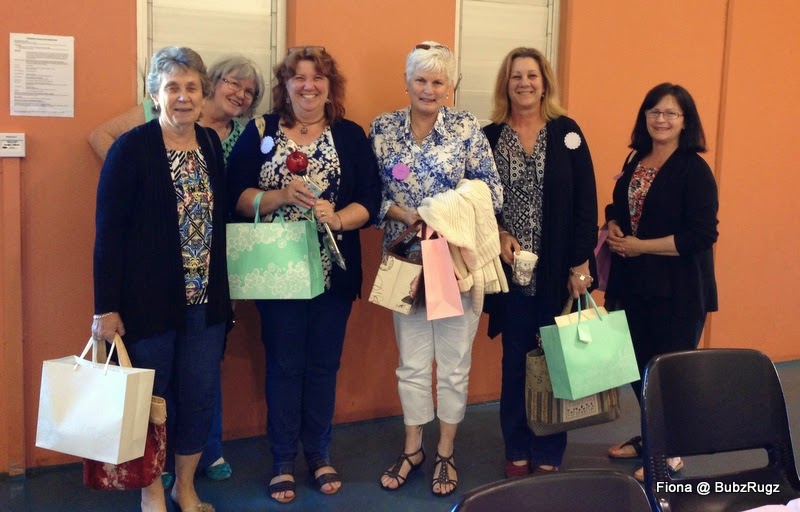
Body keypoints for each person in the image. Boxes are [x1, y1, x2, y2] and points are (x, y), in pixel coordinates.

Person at [88, 54, 265, 483]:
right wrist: (105, 308)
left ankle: (184, 487)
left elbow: (217, 222)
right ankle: (150, 490)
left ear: (203, 96)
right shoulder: (131, 149)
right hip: (148, 302)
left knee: (200, 395)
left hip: (205, 303)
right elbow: (108, 236)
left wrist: (224, 294)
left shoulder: (209, 145)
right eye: (172, 88)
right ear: (155, 95)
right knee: (152, 395)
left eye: (190, 88)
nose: (182, 97)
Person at [226, 46, 380, 504]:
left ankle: (318, 453)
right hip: (277, 272)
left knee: (323, 365)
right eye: (299, 77)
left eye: (318, 77)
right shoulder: (261, 130)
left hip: (334, 273)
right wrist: (278, 196)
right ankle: (281, 460)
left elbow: (369, 201)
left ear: (330, 86)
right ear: (286, 85)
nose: (308, 85)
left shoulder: (350, 135)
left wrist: (338, 218)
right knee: (284, 365)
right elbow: (236, 196)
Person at [370, 41, 503, 497]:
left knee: (453, 365)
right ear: (407, 82)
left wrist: (441, 214)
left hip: (453, 263)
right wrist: (405, 214)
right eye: (421, 80)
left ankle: (445, 449)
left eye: (438, 82)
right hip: (404, 260)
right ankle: (413, 449)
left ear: (451, 87)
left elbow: (491, 193)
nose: (428, 89)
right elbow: (369, 195)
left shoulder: (466, 128)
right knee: (409, 364)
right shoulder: (383, 128)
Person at [482, 47, 598, 478]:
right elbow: (478, 202)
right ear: (506, 84)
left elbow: (586, 201)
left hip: (558, 274)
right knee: (515, 362)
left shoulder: (567, 133)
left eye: (532, 75)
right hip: (511, 276)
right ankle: (516, 446)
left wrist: (580, 263)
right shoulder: (489, 136)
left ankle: (549, 448)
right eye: (516, 76)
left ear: (545, 83)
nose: (524, 83)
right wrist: (498, 232)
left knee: (556, 363)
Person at [605, 83, 719, 481]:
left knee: (668, 375)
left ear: (686, 121)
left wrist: (640, 246)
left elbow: (701, 235)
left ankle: (671, 454)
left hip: (678, 291)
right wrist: (613, 223)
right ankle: (652, 438)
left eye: (671, 113)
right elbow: (620, 204)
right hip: (633, 286)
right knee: (638, 369)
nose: (661, 119)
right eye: (654, 111)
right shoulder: (637, 158)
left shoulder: (694, 169)